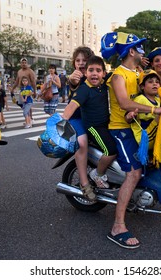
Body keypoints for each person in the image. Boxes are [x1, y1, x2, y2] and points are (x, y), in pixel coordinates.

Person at [101, 32, 161, 249]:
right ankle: (118, 227)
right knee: (134, 173)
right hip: (121, 130)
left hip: (137, 127)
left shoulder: (139, 72)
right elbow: (123, 102)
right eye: (140, 48)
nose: (143, 52)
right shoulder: (118, 76)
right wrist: (155, 108)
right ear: (131, 51)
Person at [62, 56, 117, 198]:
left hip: (107, 124)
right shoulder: (84, 89)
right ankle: (97, 174)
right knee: (111, 150)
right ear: (85, 73)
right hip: (94, 127)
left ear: (104, 73)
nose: (94, 73)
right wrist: (62, 122)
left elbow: (122, 72)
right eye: (91, 70)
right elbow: (72, 105)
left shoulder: (104, 83)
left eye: (98, 70)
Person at [66, 46, 95, 196]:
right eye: (78, 60)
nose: (81, 63)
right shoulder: (75, 77)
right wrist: (72, 81)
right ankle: (85, 184)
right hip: (77, 118)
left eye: (85, 60)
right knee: (82, 143)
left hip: (93, 119)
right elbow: (73, 83)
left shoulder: (95, 75)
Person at [126, 69, 161, 153]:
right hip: (143, 137)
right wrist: (130, 115)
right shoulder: (140, 99)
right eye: (150, 82)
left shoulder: (158, 100)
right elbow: (127, 117)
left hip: (155, 134)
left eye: (157, 82)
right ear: (142, 86)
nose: (155, 83)